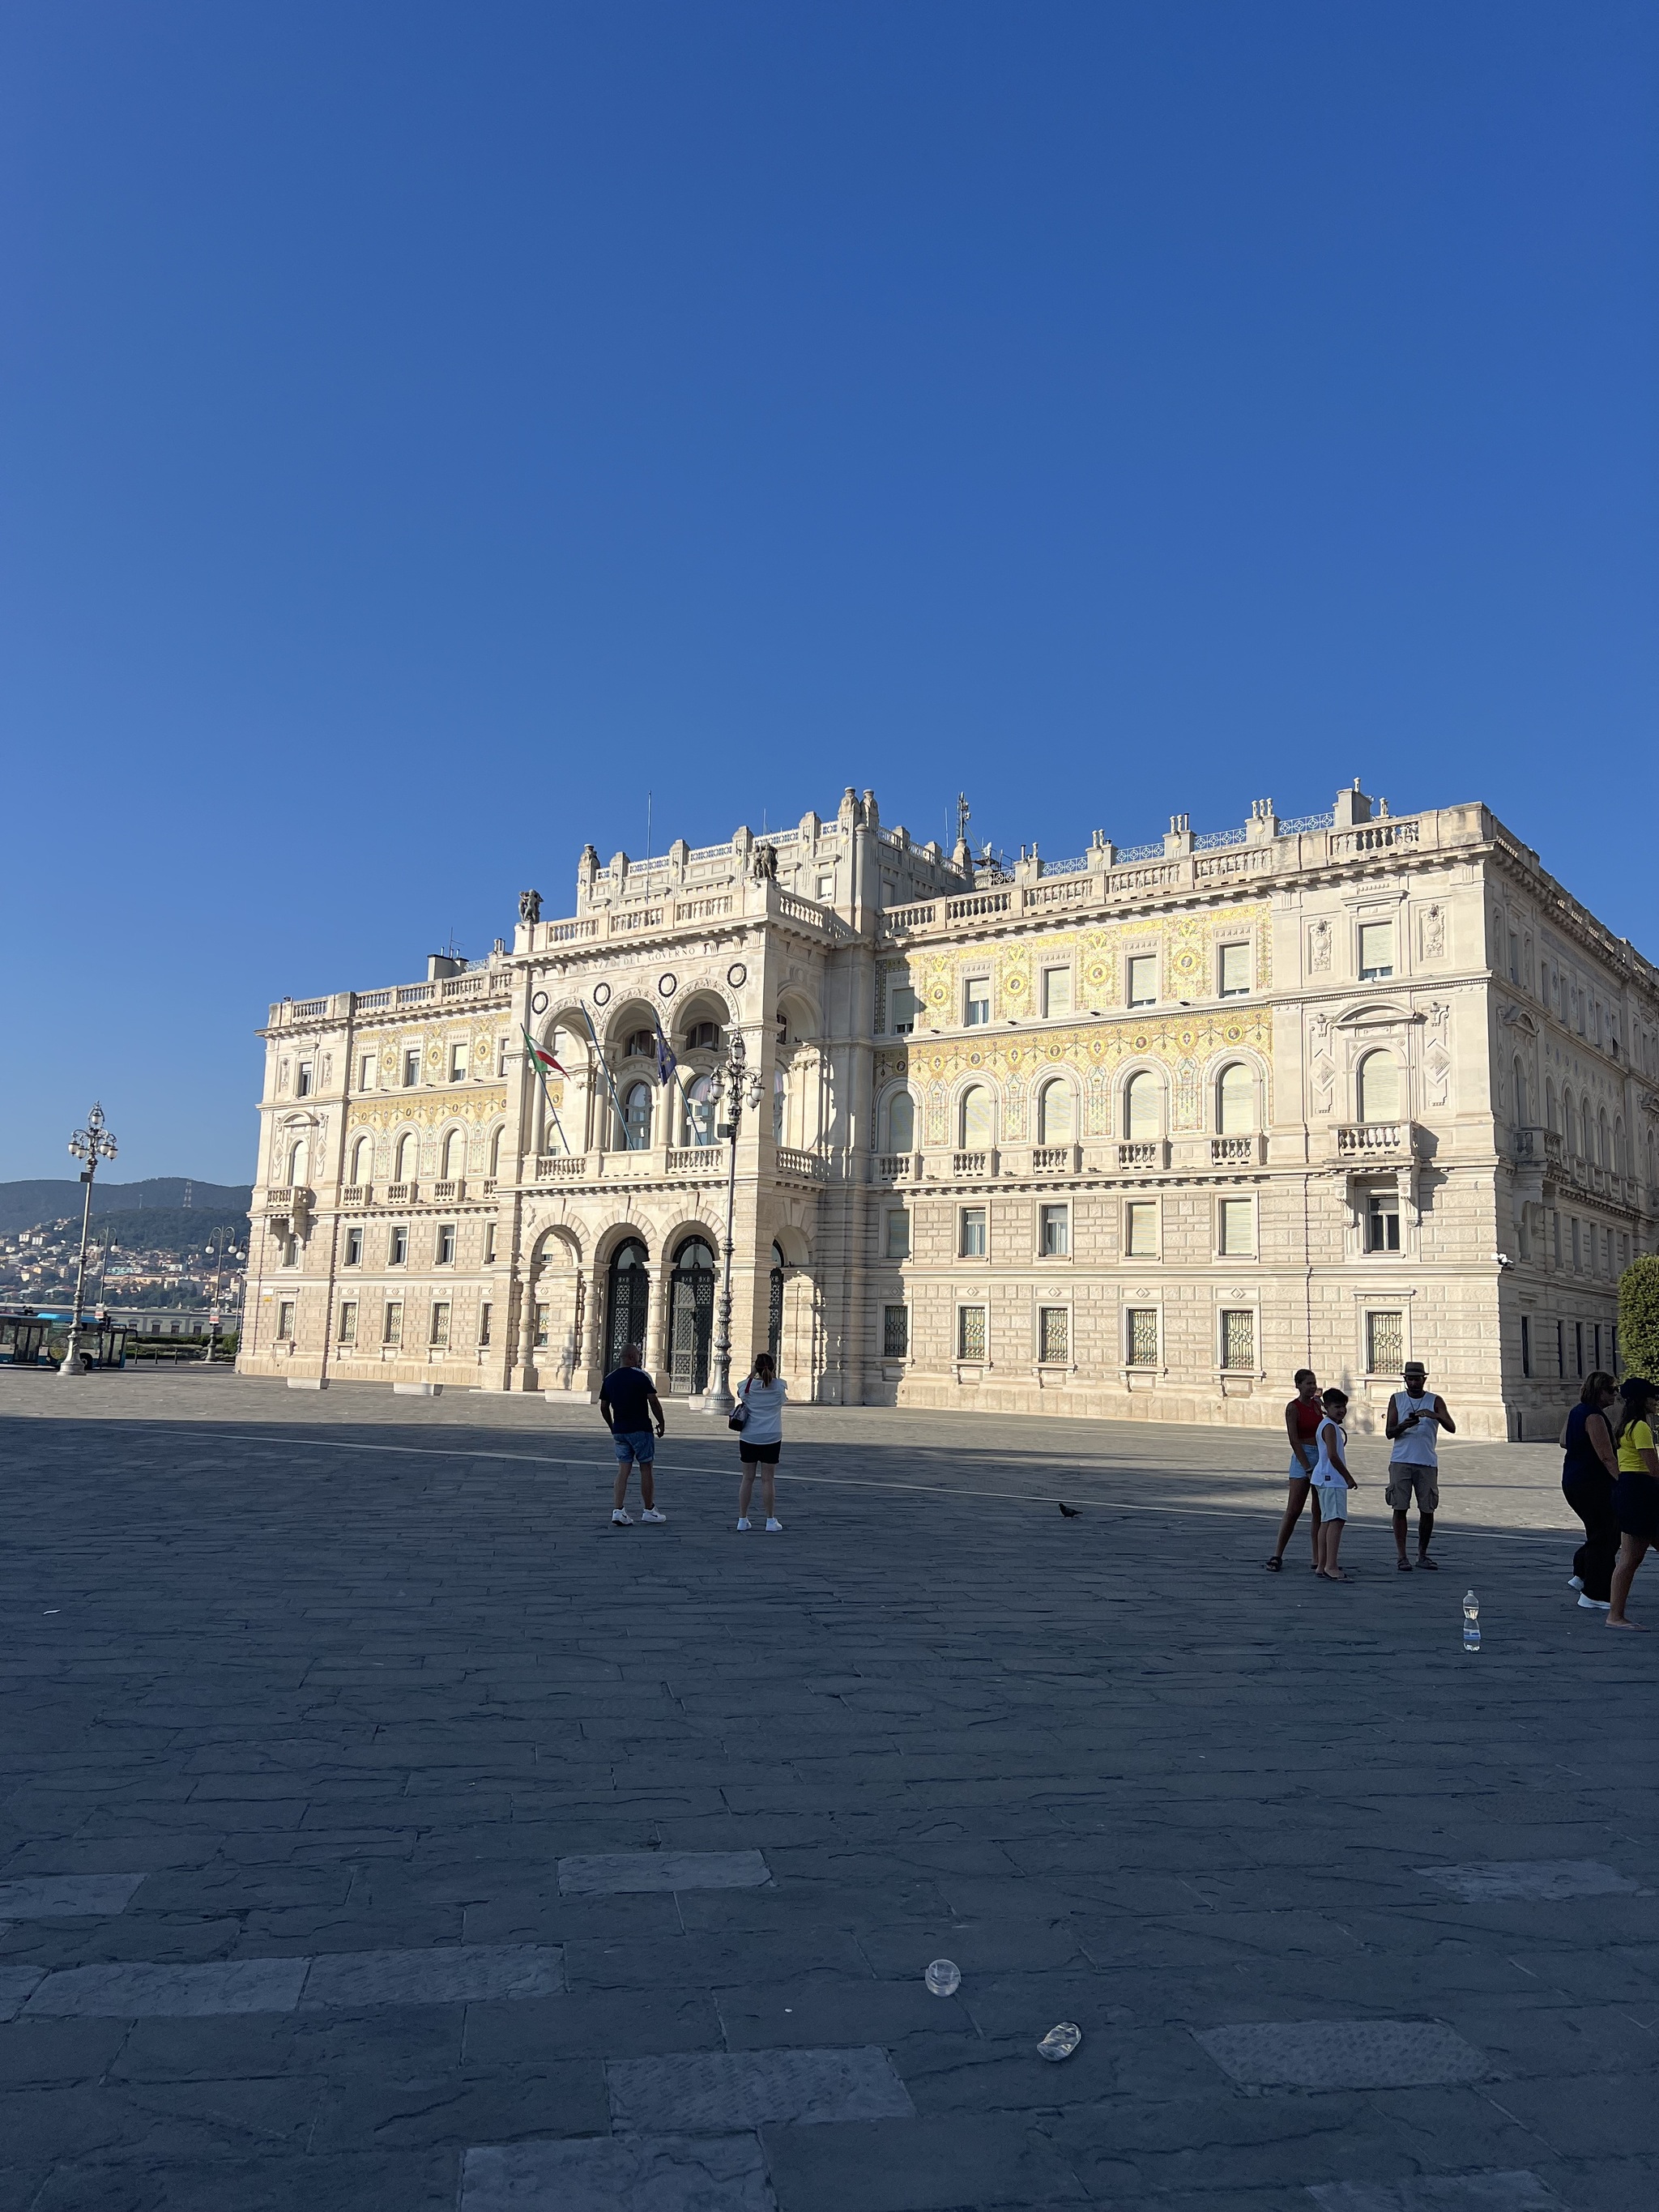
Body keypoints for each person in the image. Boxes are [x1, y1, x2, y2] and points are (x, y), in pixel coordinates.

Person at [1385, 1360, 1455, 1571]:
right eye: (1410, 1379)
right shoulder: (1396, 1399)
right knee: (1399, 1507)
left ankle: (1422, 1554)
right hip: (1401, 1460)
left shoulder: (1435, 1400)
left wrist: (1434, 1416)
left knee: (1427, 1509)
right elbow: (1389, 1432)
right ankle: (1402, 1556)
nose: (1414, 1382)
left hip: (1426, 1462)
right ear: (1405, 1380)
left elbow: (1451, 1427)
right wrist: (1403, 1425)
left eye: (1417, 1378)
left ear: (1424, 1379)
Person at [1560, 1371, 1619, 1611]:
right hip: (1592, 1483)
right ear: (1600, 1391)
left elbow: (1563, 1441)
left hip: (1574, 1480)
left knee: (1598, 1532)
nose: (1615, 1394)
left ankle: (1581, 1575)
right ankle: (1594, 1593)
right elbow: (1606, 1456)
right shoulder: (1594, 1416)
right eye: (1611, 1390)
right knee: (1606, 1535)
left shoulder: (1577, 1411)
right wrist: (1621, 1481)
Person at [1606, 1377, 1659, 1632]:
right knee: (1630, 1558)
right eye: (1653, 1397)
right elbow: (1654, 1469)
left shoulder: (1624, 1426)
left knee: (1628, 1557)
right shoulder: (1641, 1428)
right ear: (1642, 1400)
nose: (1656, 1401)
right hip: (1643, 1493)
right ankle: (1615, 1615)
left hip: (1630, 1489)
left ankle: (1615, 1615)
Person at [599, 1344, 667, 1526]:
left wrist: (612, 1426)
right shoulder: (641, 1376)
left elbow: (604, 1406)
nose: (639, 1358)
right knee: (646, 1467)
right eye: (638, 1355)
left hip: (620, 1430)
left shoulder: (609, 1379)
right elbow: (653, 1401)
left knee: (623, 1470)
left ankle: (618, 1510)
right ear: (630, 1357)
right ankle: (649, 1509)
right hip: (640, 1429)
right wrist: (661, 1421)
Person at [1265, 1370, 1324, 1571]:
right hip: (1303, 1456)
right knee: (1293, 1510)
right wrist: (1306, 1466)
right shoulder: (1293, 1407)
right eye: (1308, 1383)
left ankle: (1317, 1557)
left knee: (1319, 1511)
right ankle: (1277, 1554)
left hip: (1321, 1455)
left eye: (1314, 1383)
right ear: (1298, 1385)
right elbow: (1294, 1439)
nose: (1312, 1386)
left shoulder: (1318, 1405)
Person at [735, 1351, 788, 1532]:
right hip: (771, 1436)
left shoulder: (746, 1386)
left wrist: (752, 1375)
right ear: (773, 1367)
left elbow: (740, 1393)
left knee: (747, 1478)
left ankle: (743, 1519)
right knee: (768, 1480)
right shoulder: (780, 1387)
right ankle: (770, 1520)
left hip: (749, 1436)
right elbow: (782, 1401)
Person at [1310, 1387, 1358, 1581]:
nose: (1341, 1411)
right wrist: (1347, 1477)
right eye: (1337, 1407)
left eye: (1343, 1407)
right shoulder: (1329, 1427)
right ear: (1326, 1407)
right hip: (1332, 1479)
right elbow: (1332, 1455)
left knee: (1326, 1521)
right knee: (1336, 1521)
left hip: (1323, 1478)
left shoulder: (1326, 1425)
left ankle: (1322, 1564)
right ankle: (1331, 1565)